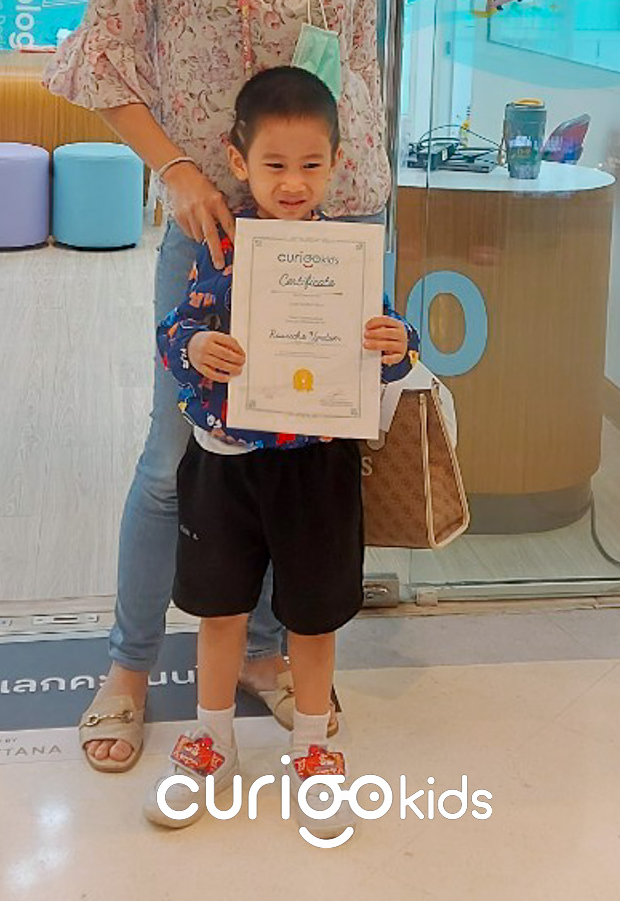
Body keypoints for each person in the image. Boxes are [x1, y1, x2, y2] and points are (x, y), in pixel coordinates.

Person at [44, 0, 391, 772]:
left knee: (302, 458)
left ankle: (272, 654)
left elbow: (358, 83)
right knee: (177, 457)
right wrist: (178, 168)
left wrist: (363, 229)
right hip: (212, 229)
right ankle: (128, 667)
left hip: (330, 225)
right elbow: (101, 60)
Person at [145, 66, 416, 833]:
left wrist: (395, 344)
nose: (293, 183)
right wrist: (197, 348)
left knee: (314, 614)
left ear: (336, 163)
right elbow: (176, 331)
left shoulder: (350, 255)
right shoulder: (220, 246)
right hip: (227, 460)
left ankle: (312, 745)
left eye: (310, 164)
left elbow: (386, 351)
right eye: (274, 164)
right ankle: (212, 738)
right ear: (239, 161)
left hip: (317, 463)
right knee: (220, 608)